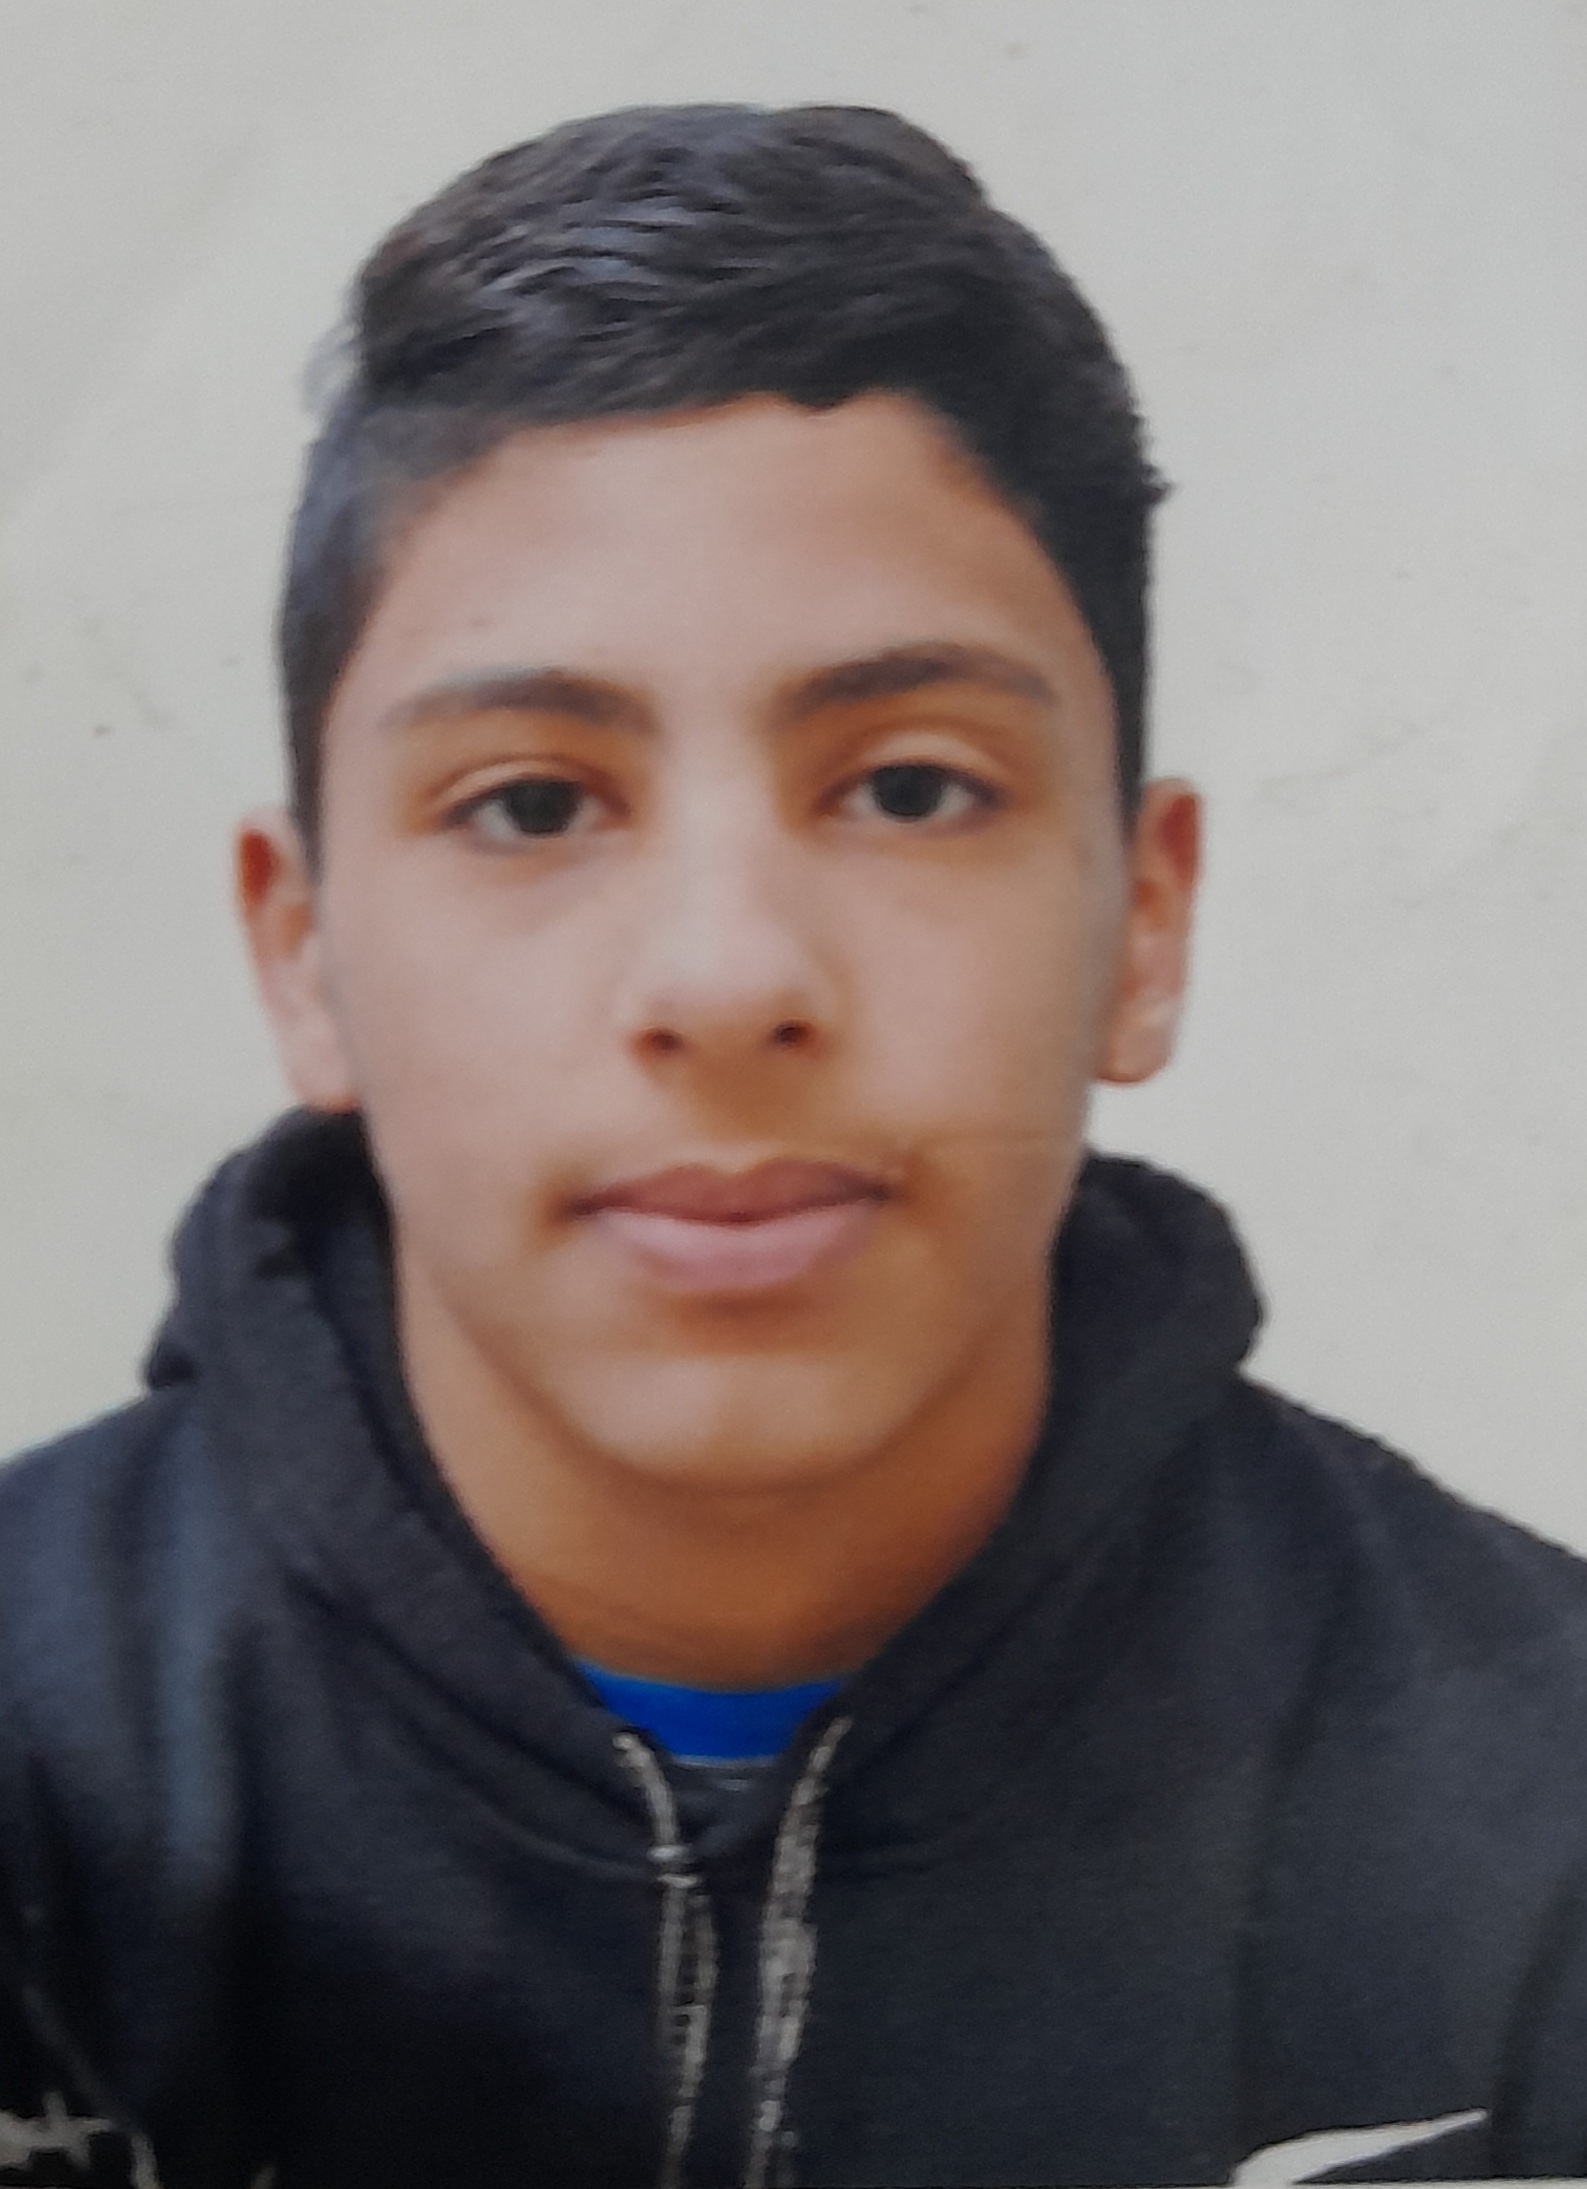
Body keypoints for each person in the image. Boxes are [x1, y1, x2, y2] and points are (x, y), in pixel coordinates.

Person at [1, 101, 1585, 2189]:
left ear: (1145, 920)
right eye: (532, 805)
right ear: (303, 956)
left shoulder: (1542, 1820)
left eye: (911, 788)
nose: (730, 974)